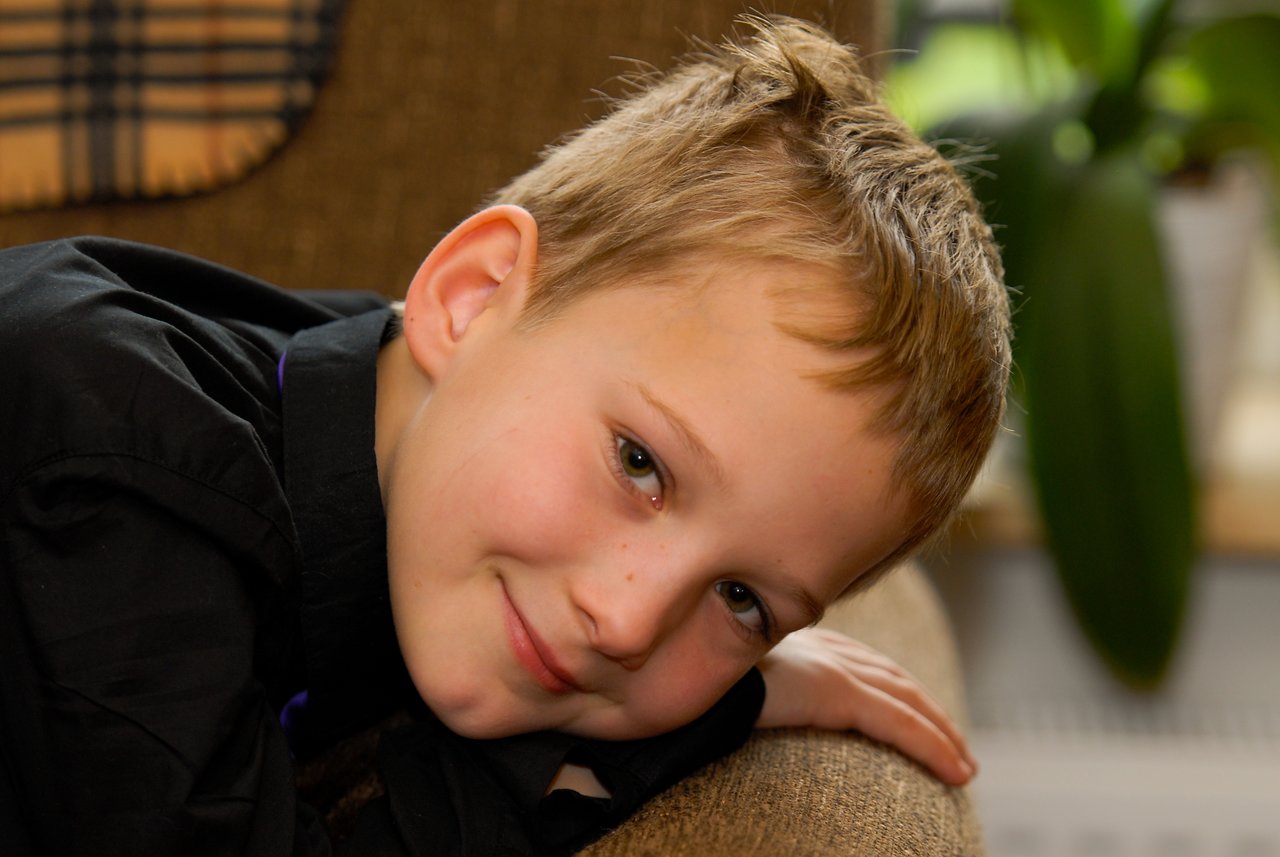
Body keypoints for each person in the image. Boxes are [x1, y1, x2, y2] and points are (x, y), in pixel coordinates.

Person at [0, 14, 1010, 857]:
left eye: (741, 600)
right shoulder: (112, 460)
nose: (626, 620)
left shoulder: (427, 431)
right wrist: (667, 736)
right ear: (469, 296)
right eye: (639, 463)